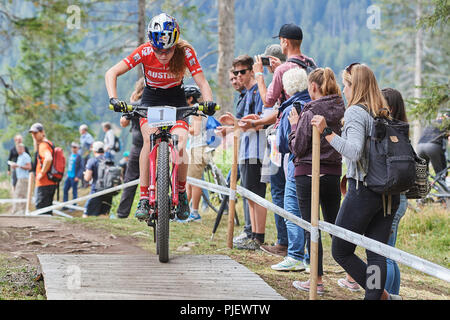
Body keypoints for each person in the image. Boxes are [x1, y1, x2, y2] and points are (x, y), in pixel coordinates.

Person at [105, 12, 216, 221]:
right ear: (151, 44)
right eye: (158, 50)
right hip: (151, 100)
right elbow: (111, 72)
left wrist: (207, 102)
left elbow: (201, 81)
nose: (163, 55)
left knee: (181, 142)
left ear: (176, 44)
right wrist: (113, 98)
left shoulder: (185, 52)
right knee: (149, 140)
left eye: (169, 50)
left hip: (176, 100)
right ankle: (145, 197)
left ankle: (181, 193)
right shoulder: (144, 51)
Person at [311, 63, 401, 300]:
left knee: (340, 250)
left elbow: (353, 151)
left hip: (363, 191)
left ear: (355, 86)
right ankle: (376, 296)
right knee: (376, 252)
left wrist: (326, 132)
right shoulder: (382, 112)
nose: (344, 89)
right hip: (388, 192)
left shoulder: (355, 113)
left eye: (346, 84)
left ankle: (379, 295)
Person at [288, 67, 345, 295]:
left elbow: (298, 146)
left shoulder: (310, 109)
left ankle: (317, 280)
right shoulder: (342, 107)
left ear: (313, 87)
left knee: (311, 226)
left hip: (308, 171)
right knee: (334, 225)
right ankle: (351, 274)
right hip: (332, 172)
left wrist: (294, 125)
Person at [222, 55, 267, 250]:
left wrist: (237, 123)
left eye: (242, 72)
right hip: (246, 149)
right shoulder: (247, 93)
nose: (238, 76)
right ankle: (252, 234)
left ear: (250, 71)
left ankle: (258, 237)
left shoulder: (257, 91)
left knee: (256, 194)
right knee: (248, 193)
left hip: (256, 149)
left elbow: (259, 121)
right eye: (236, 72)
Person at [218, 69, 252, 245]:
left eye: (238, 76)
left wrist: (231, 128)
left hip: (250, 151)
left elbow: (248, 123)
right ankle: (248, 228)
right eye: (231, 78)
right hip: (242, 150)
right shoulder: (241, 97)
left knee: (247, 190)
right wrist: (229, 129)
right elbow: (241, 124)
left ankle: (250, 231)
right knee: (234, 185)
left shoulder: (250, 94)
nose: (235, 81)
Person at [381, 87, 409, 295]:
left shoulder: (390, 134)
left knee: (383, 254)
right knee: (389, 252)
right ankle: (394, 295)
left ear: (389, 107)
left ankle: (385, 295)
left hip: (392, 199)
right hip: (400, 197)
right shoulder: (402, 131)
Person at [116, 78, 145, 219]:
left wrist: (131, 103)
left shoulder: (135, 104)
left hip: (137, 145)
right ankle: (154, 209)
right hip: (154, 145)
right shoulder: (155, 103)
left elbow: (123, 123)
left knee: (130, 180)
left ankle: (122, 213)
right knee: (155, 179)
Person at [185, 85, 207, 222]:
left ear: (190, 98)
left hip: (199, 147)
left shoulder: (196, 111)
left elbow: (196, 130)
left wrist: (182, 125)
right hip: (193, 146)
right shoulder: (193, 110)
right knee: (189, 181)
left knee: (195, 182)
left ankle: (195, 212)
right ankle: (186, 210)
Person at [29, 123, 58, 216]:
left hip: (44, 183)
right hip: (50, 182)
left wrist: (41, 173)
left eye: (35, 133)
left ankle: (43, 230)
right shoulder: (48, 143)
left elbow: (48, 158)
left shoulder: (43, 145)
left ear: (42, 132)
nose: (33, 135)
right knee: (47, 211)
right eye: (32, 133)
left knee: (41, 211)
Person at [83, 141, 113, 218]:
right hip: (109, 192)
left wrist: (85, 174)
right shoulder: (109, 160)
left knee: (87, 214)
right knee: (104, 215)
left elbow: (87, 178)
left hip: (96, 192)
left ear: (94, 150)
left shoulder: (92, 161)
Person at [417, 113, 449, 179]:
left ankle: (422, 187)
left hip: (419, 146)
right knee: (441, 173)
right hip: (432, 146)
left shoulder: (432, 123)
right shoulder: (447, 122)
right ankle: (443, 186)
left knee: (423, 175)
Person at [10, 143, 32, 215]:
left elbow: (29, 167)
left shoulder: (25, 156)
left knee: (18, 194)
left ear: (22, 148)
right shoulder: (20, 156)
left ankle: (16, 211)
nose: (17, 150)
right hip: (20, 178)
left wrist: (19, 166)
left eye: (19, 148)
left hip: (24, 179)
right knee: (21, 196)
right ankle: (21, 212)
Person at [63, 142, 83, 206]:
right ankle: (65, 205)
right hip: (69, 176)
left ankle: (74, 205)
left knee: (74, 192)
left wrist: (78, 176)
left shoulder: (79, 157)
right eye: (72, 147)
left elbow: (82, 167)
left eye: (75, 147)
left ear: (77, 148)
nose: (73, 148)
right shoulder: (70, 155)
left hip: (74, 177)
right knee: (65, 189)